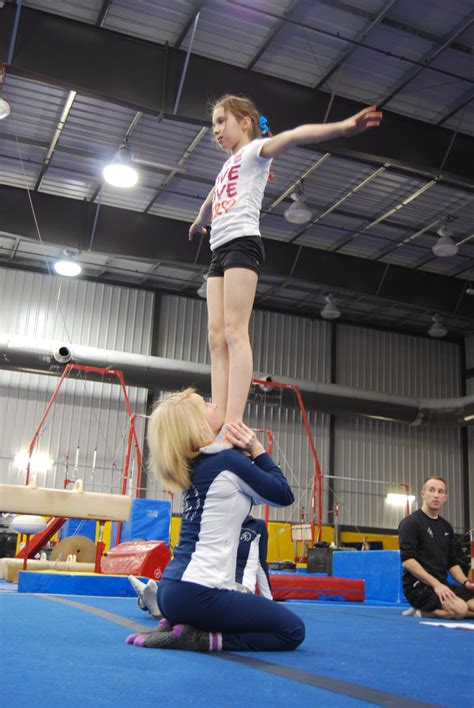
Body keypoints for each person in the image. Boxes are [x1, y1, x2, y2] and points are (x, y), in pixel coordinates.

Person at [189, 95, 383, 450]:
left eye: (221, 121)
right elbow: (214, 196)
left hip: (243, 245)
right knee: (215, 336)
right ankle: (217, 415)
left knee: (234, 331)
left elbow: (295, 135)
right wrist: (200, 219)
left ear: (245, 122)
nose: (215, 130)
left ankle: (233, 421)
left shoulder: (256, 150)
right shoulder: (228, 165)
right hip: (218, 248)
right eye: (213, 124)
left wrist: (343, 127)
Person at [125, 387, 304, 652]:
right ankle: (202, 639)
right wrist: (257, 449)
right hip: (199, 593)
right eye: (206, 405)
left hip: (170, 591)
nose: (215, 405)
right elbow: (283, 495)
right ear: (196, 424)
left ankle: (180, 627)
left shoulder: (193, 465)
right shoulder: (225, 461)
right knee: (293, 630)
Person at [129, 513, 272, 616]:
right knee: (193, 592)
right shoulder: (218, 523)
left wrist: (269, 602)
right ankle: (158, 599)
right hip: (216, 582)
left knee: (214, 603)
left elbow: (261, 565)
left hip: (240, 588)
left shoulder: (256, 526)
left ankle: (158, 604)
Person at [398, 475, 474, 619]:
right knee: (460, 609)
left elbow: (452, 563)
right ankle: (421, 611)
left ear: (445, 497)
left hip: (443, 585)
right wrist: (436, 585)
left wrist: (466, 583)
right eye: (432, 490)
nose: (436, 495)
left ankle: (456, 610)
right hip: (419, 587)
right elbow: (408, 561)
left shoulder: (446, 527)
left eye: (440, 492)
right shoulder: (411, 523)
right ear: (423, 494)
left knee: (465, 609)